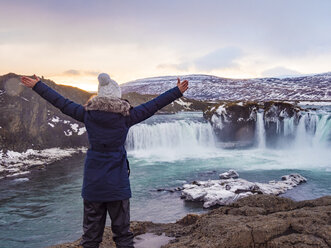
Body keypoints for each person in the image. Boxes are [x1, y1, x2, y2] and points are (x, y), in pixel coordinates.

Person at [20, 73, 189, 248]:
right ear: (117, 96)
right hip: (118, 185)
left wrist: (38, 86)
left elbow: (61, 102)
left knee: (91, 238)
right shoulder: (127, 116)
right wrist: (176, 91)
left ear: (99, 95)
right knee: (123, 236)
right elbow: (153, 106)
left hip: (93, 185)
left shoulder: (87, 114)